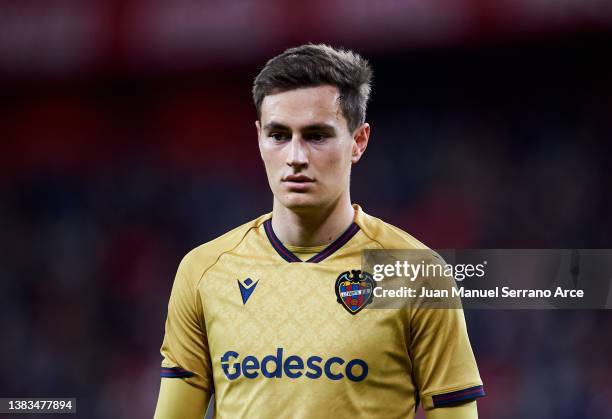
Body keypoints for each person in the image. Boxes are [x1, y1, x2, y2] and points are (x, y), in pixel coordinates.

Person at [154, 43, 484, 419]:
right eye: (279, 135)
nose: (296, 157)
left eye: (316, 136)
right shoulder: (203, 272)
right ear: (259, 138)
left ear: (358, 142)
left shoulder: (416, 273)